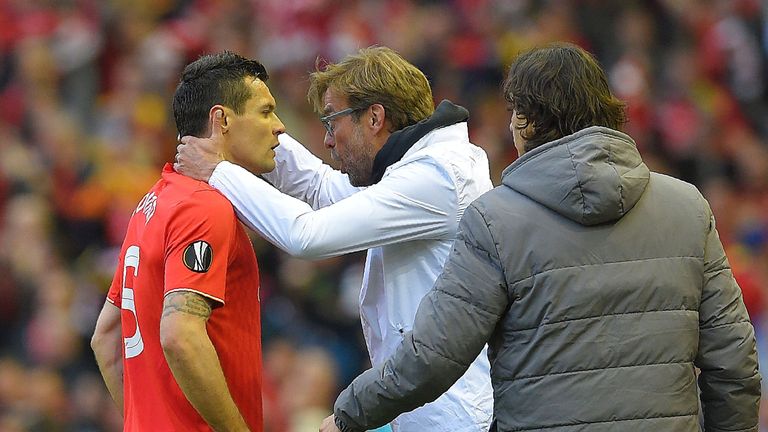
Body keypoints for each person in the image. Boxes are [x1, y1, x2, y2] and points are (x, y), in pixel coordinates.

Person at [320, 42, 762, 432]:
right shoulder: (687, 208)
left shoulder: (494, 221)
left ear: (528, 121)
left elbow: (433, 357)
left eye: (514, 113)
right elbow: (734, 363)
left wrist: (349, 414)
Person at [175, 46, 494, 432]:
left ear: (374, 118)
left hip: (453, 419)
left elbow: (307, 235)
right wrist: (250, 133)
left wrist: (219, 169)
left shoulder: (439, 178)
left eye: (333, 122)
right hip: (432, 412)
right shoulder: (418, 169)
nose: (328, 141)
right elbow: (322, 187)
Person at [90, 51, 285, 431]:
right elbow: (180, 335)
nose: (278, 126)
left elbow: (105, 337)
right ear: (221, 120)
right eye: (265, 111)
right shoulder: (203, 207)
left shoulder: (153, 202)